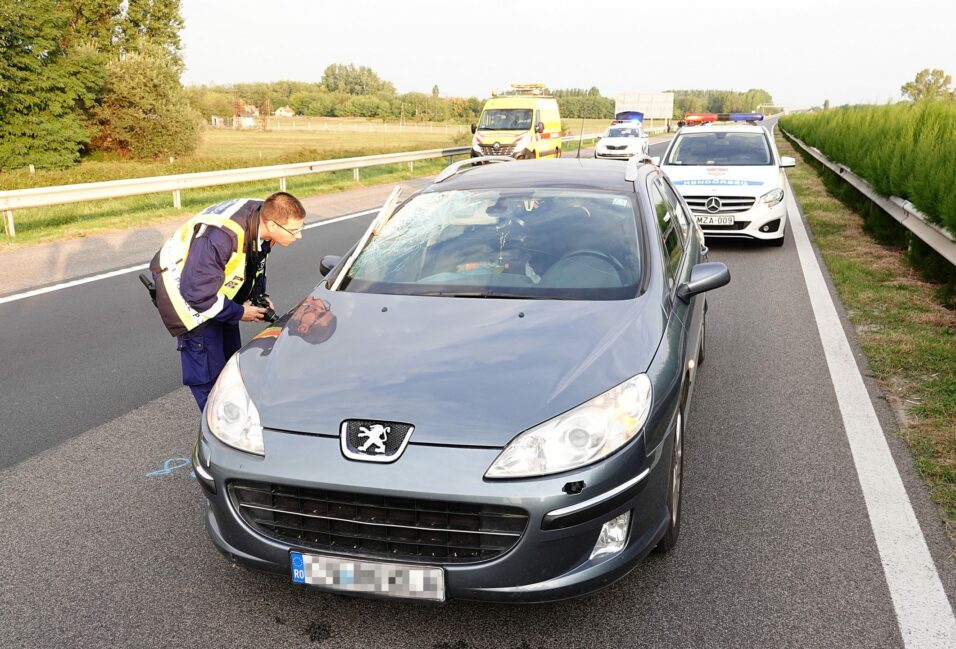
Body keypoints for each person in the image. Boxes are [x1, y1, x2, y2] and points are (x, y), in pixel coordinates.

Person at [148, 192, 306, 411]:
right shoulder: (220, 238)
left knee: (230, 363)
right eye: (294, 230)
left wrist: (257, 295)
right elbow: (196, 293)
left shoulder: (261, 219)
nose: (299, 236)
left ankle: (238, 415)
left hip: (212, 290)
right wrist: (241, 312)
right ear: (271, 224)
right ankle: (220, 433)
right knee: (209, 375)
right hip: (186, 297)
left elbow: (255, 260)